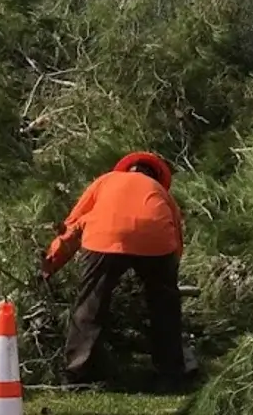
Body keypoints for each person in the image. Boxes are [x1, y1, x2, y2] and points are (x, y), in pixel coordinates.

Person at [43, 152, 188, 389]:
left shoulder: (106, 181)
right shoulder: (160, 191)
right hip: (155, 239)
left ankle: (78, 374)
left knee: (91, 302)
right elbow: (176, 235)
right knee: (164, 308)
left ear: (127, 168)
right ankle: (171, 374)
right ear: (157, 176)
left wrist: (50, 264)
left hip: (104, 236)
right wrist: (168, 274)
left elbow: (72, 226)